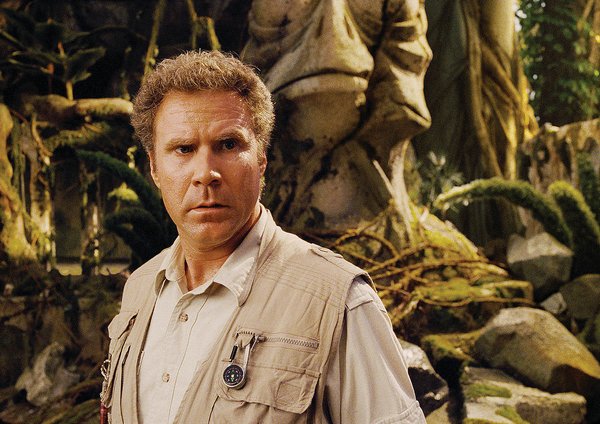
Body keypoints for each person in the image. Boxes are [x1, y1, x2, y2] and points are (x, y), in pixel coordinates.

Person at [101, 50, 425, 423]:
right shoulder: (140, 290)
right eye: (184, 149)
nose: (205, 173)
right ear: (155, 168)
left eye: (228, 145)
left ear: (261, 159)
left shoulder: (338, 302)